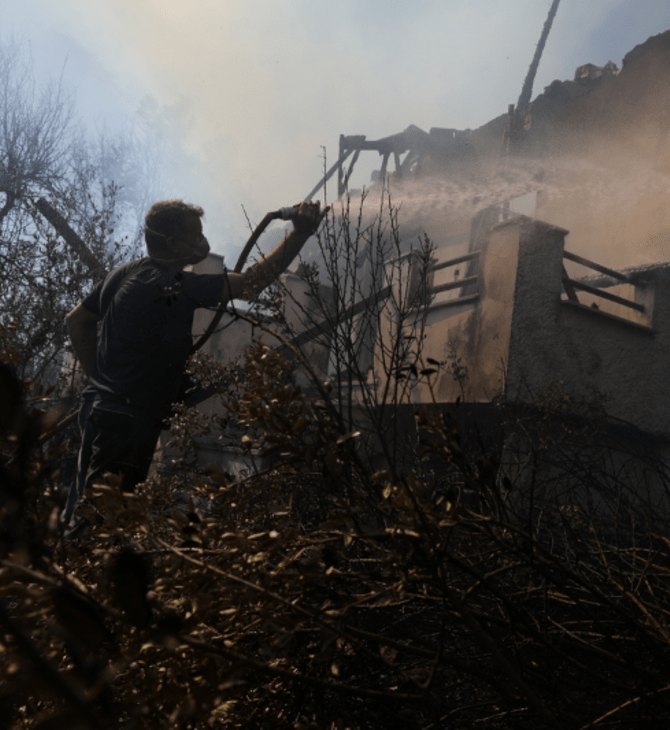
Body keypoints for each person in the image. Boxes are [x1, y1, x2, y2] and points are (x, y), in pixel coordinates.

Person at [61, 198, 324, 526]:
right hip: (127, 425)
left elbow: (76, 320)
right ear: (171, 243)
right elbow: (253, 283)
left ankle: (72, 566)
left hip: (104, 414)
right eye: (194, 234)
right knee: (104, 521)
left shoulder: (126, 272)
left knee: (85, 510)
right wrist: (300, 233)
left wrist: (99, 382)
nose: (202, 241)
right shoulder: (167, 285)